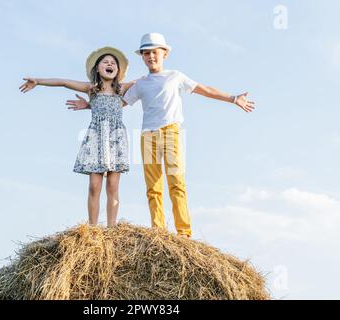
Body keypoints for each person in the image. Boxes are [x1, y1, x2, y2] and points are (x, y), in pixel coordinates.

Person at [68, 33, 255, 238]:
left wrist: (233, 98)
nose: (150, 57)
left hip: (171, 132)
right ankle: (159, 232)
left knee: (176, 182)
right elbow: (114, 105)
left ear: (164, 53)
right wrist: (89, 106)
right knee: (153, 188)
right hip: (147, 136)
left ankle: (183, 233)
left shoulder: (175, 76)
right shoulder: (140, 84)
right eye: (146, 53)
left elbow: (204, 90)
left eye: (154, 52)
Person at [19, 47, 134, 227]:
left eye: (113, 63)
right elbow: (63, 82)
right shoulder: (92, 89)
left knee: (112, 185)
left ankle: (112, 229)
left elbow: (148, 81)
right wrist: (39, 81)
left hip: (115, 139)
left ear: (118, 71)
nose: (110, 64)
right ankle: (93, 228)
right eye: (106, 62)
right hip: (97, 137)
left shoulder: (123, 89)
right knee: (94, 186)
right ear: (97, 69)